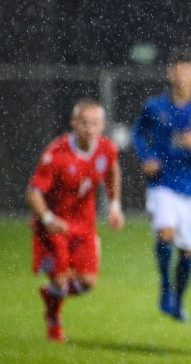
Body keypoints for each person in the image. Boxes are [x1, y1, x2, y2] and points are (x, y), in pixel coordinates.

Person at [132, 52, 191, 321]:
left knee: (187, 250)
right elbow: (138, 133)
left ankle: (178, 301)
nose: (181, 76)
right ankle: (165, 286)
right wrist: (147, 156)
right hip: (163, 183)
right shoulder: (155, 107)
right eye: (177, 71)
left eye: (187, 71)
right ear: (169, 74)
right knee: (165, 233)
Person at [27, 98, 125, 342]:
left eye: (95, 123)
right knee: (61, 282)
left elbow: (112, 171)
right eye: (84, 123)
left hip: (84, 225)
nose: (89, 128)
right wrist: (47, 217)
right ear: (73, 123)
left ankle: (51, 295)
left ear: (102, 125)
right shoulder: (56, 153)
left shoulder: (106, 148)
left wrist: (114, 206)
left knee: (87, 283)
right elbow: (33, 192)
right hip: (54, 225)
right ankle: (54, 322)